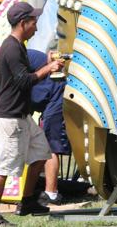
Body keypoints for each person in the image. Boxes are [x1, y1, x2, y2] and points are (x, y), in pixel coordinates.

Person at [0, 2, 64, 226]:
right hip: (10, 119)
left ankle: (27, 201)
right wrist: (47, 69)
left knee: (43, 153)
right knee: (4, 168)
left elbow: (22, 74)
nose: (36, 28)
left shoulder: (18, 46)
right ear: (23, 23)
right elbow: (23, 81)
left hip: (21, 116)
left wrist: (45, 62)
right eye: (34, 23)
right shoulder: (11, 47)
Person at [27, 48, 70, 206]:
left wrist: (52, 56)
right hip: (46, 102)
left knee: (50, 145)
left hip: (55, 98)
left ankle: (51, 193)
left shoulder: (23, 55)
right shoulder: (15, 65)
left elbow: (48, 58)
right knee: (45, 144)